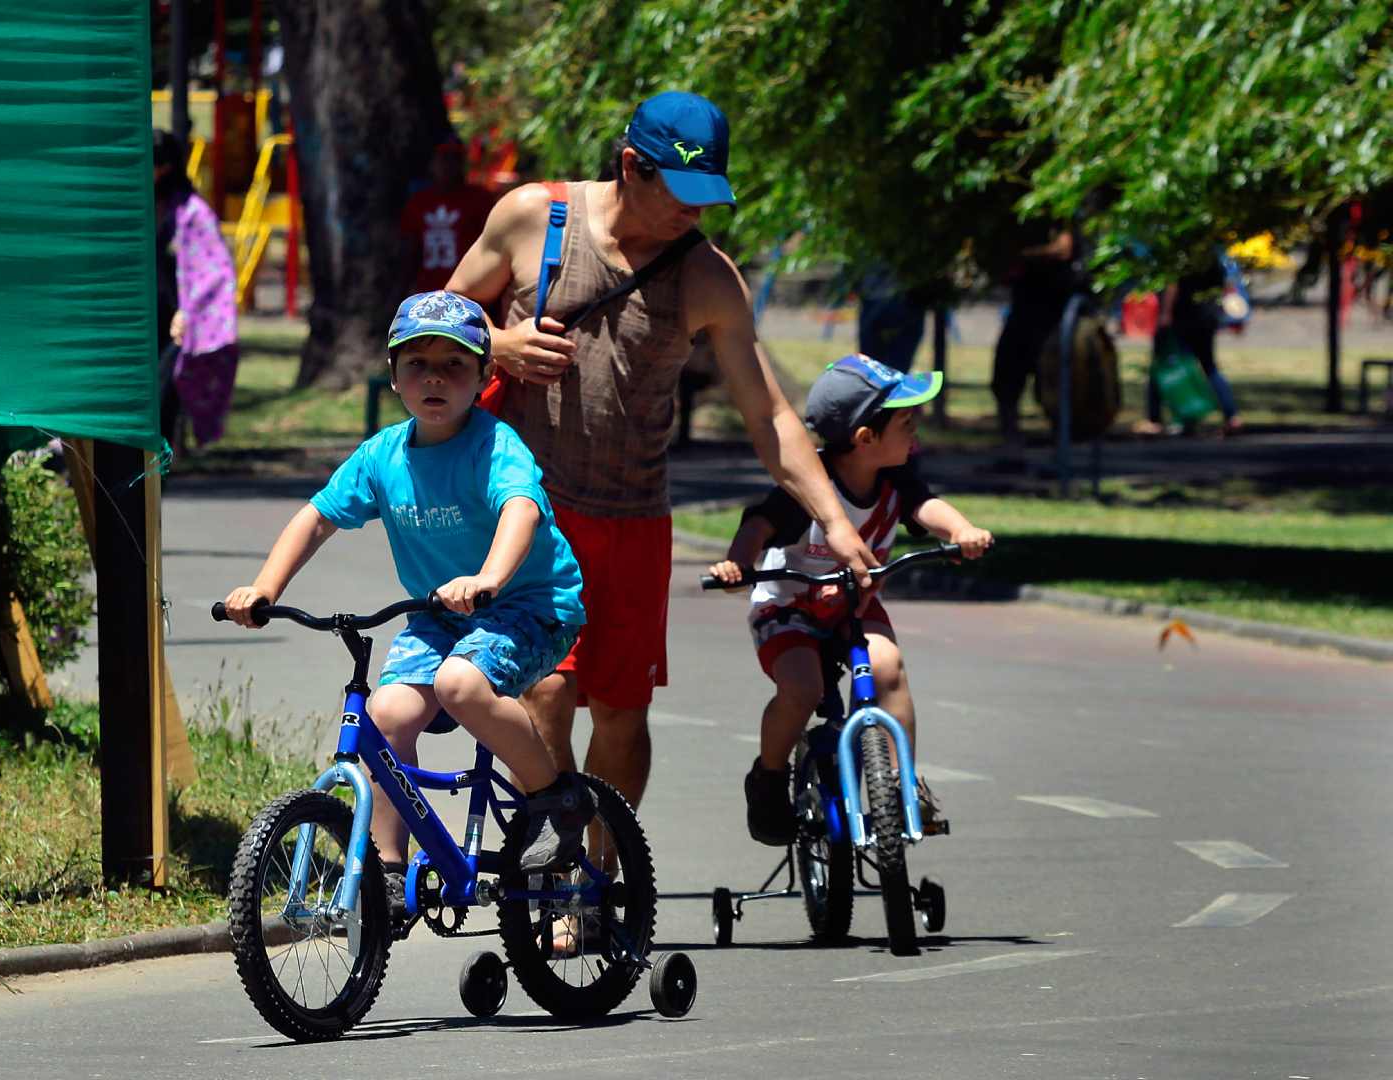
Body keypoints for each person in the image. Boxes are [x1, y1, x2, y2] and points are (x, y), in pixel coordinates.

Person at [445, 90, 878, 816]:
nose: (694, 214)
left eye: (708, 197)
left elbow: (769, 414)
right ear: (630, 166)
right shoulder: (532, 217)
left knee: (620, 712)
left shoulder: (707, 276)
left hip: (634, 521)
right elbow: (432, 320)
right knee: (547, 686)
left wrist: (834, 522)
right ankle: (556, 887)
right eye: (681, 194)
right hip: (531, 512)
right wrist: (499, 344)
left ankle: (602, 875)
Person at [221, 291, 596, 917]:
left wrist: (489, 577)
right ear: (393, 376)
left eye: (454, 365)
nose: (434, 378)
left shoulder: (493, 445)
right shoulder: (383, 455)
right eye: (417, 363)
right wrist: (266, 588)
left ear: (484, 376)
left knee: (459, 683)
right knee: (387, 717)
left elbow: (521, 511)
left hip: (529, 605)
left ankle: (554, 799)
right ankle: (388, 873)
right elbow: (317, 518)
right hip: (442, 614)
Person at [706, 355, 994, 844]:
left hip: (851, 607)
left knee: (888, 669)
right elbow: (758, 523)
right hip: (789, 607)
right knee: (800, 689)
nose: (917, 428)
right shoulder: (810, 485)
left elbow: (926, 507)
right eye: (906, 421)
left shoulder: (895, 481)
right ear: (865, 439)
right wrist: (737, 563)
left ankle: (904, 787)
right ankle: (769, 778)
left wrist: (962, 530)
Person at [154, 129, 240, 452]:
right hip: (141, 319)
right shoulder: (134, 207)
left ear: (165, 167)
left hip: (176, 325)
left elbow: (213, 272)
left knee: (162, 397)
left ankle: (157, 472)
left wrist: (188, 312)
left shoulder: (190, 213)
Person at [992, 221, 1078, 461]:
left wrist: (1024, 255)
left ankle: (1060, 455)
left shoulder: (1062, 220)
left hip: (1053, 321)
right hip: (1022, 317)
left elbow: (1063, 249)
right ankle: (1012, 449)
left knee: (1051, 388)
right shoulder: (1020, 225)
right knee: (1005, 383)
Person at [1139, 255, 1244, 436]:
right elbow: (1226, 285)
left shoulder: (1178, 254)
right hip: (1206, 318)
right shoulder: (1210, 255)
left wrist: (1165, 314)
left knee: (1161, 366)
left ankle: (1154, 419)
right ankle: (1231, 416)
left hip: (1182, 319)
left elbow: (1172, 285)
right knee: (1210, 367)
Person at [399, 138, 498, 296]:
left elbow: (491, 245)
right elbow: (410, 248)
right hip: (427, 289)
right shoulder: (419, 202)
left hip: (468, 289)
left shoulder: (480, 198)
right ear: (432, 164)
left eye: (456, 159)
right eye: (444, 159)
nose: (450, 166)